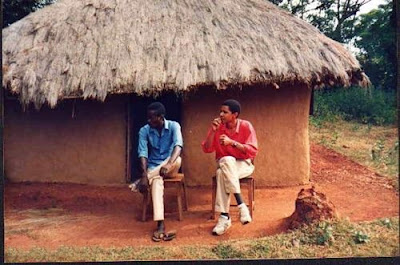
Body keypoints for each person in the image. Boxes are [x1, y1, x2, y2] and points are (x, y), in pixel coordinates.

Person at [202, 99, 258, 235]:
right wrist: (213, 131)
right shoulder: (218, 127)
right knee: (225, 165)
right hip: (227, 165)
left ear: (235, 115)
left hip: (244, 164)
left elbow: (252, 150)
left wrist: (232, 142)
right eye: (220, 111)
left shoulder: (246, 126)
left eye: (224, 112)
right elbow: (207, 148)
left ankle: (225, 217)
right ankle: (241, 206)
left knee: (223, 171)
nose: (221, 114)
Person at [136, 102, 183, 242]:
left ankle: (139, 182)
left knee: (178, 159)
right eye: (148, 117)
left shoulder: (174, 126)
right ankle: (160, 224)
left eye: (152, 118)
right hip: (155, 168)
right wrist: (145, 174)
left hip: (172, 165)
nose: (149, 121)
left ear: (161, 117)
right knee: (156, 183)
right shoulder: (144, 130)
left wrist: (168, 165)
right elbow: (143, 153)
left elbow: (178, 146)